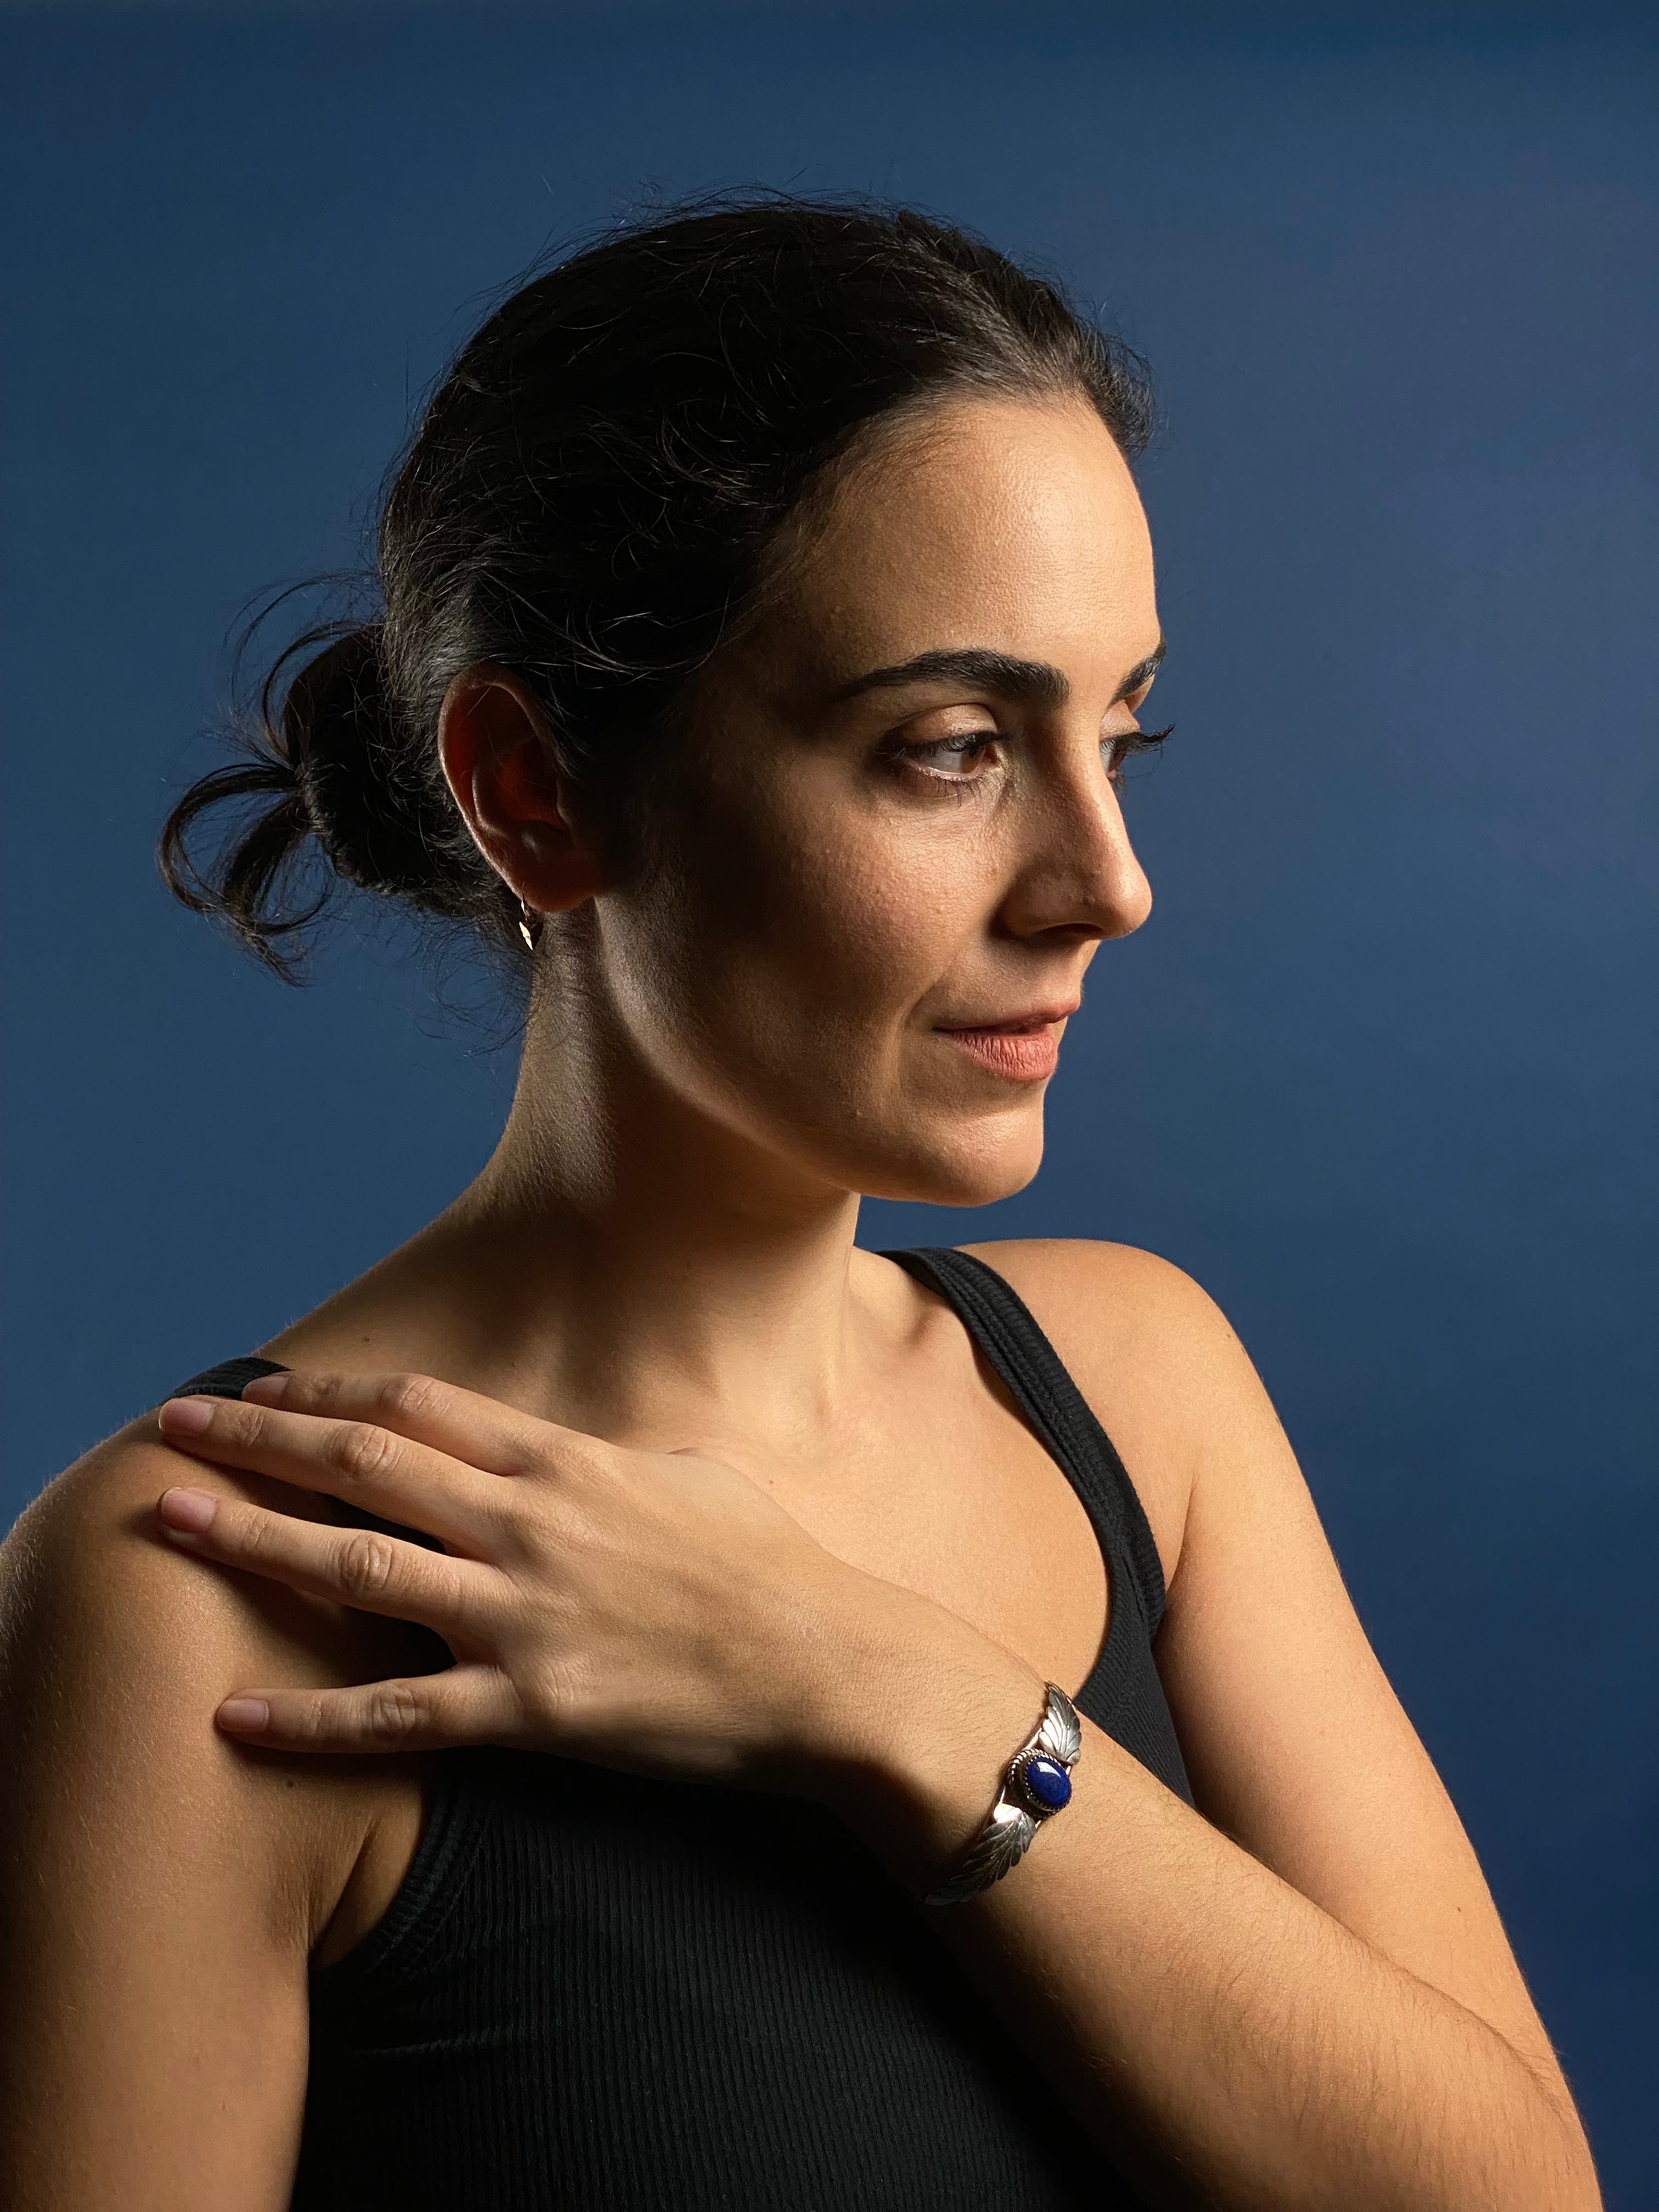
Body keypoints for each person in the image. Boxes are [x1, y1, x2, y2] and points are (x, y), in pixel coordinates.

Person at [0, 196, 1599, 2211]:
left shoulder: (1139, 1387)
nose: (1108, 882)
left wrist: (875, 1686)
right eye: (950, 749)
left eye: (1122, 733)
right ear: (533, 790)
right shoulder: (199, 1599)